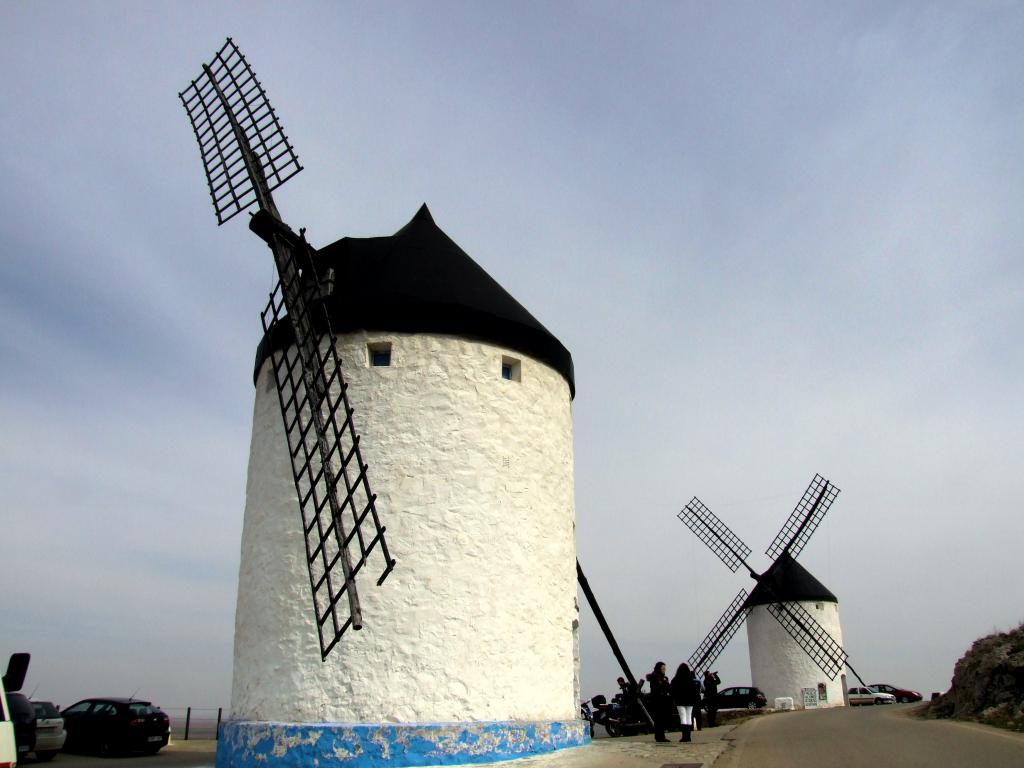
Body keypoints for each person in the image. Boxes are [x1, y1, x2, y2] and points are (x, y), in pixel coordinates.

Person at [670, 662, 699, 742]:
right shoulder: (690, 680)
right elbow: (694, 691)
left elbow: (672, 690)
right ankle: (688, 736)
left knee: (683, 718)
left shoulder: (676, 679)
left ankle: (684, 736)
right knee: (689, 718)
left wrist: (675, 698)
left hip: (680, 701)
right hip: (689, 701)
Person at [646, 661, 672, 743]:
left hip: (660, 700)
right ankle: (660, 736)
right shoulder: (656, 678)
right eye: (663, 668)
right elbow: (659, 689)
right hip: (658, 701)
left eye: (665, 668)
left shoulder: (660, 677)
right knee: (659, 719)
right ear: (659, 669)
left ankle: (660, 736)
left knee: (660, 719)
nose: (664, 670)